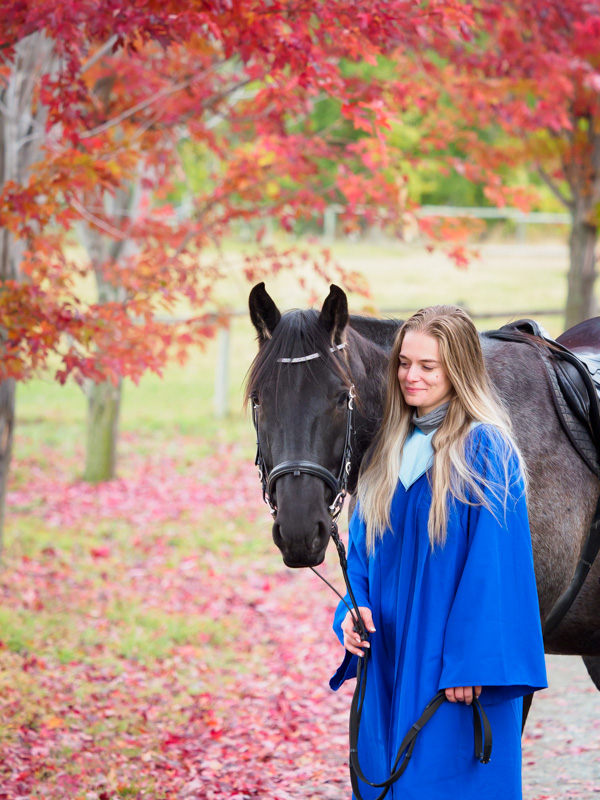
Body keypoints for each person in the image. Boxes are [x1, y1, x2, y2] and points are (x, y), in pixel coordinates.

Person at [330, 305, 547, 800]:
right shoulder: (386, 450)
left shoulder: (485, 450)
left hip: (450, 668)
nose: (411, 376)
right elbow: (362, 555)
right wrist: (351, 609)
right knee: (388, 777)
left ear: (459, 370)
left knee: (443, 782)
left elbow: (495, 572)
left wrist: (474, 666)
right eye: (405, 363)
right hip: (388, 655)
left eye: (428, 367)